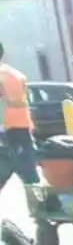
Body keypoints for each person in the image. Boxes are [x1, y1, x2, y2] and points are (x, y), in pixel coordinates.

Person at [0, 41, 41, 200]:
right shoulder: (15, 74)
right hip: (22, 127)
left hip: (6, 129)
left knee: (14, 169)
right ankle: (43, 208)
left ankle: (44, 207)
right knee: (29, 173)